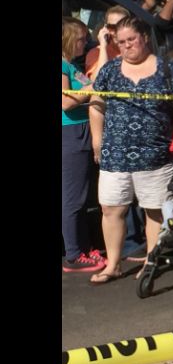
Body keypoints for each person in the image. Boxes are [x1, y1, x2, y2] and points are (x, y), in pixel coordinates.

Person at [88, 17, 173, 284]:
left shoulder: (166, 68)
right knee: (111, 209)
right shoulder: (110, 70)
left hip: (155, 155)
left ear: (144, 37)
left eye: (131, 40)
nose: (126, 46)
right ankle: (113, 264)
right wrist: (97, 140)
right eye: (121, 42)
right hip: (115, 155)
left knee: (154, 210)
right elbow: (97, 104)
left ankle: (151, 261)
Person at [62, 17, 106, 273]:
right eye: (80, 39)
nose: (84, 43)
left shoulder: (71, 65)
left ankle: (85, 247)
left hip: (81, 130)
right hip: (71, 132)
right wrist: (92, 87)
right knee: (73, 197)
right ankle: (73, 254)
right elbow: (66, 102)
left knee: (82, 195)